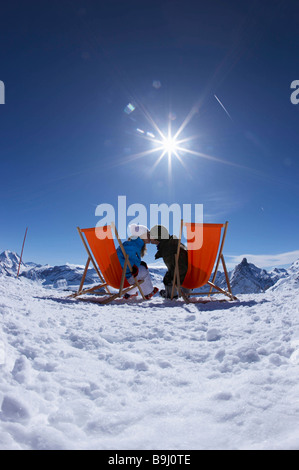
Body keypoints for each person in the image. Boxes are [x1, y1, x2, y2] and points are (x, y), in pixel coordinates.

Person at [117, 224, 159, 300]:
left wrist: (136, 265)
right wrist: (133, 267)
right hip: (124, 278)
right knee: (143, 270)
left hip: (124, 276)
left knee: (141, 269)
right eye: (148, 234)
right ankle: (148, 292)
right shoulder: (132, 246)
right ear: (142, 235)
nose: (150, 236)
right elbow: (120, 260)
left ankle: (130, 293)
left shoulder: (132, 244)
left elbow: (129, 259)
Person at [150, 225, 189, 299]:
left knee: (168, 277)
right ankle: (187, 293)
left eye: (151, 235)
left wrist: (169, 275)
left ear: (157, 238)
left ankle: (171, 296)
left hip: (182, 277)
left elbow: (176, 268)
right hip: (192, 276)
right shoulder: (176, 244)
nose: (149, 237)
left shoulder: (168, 249)